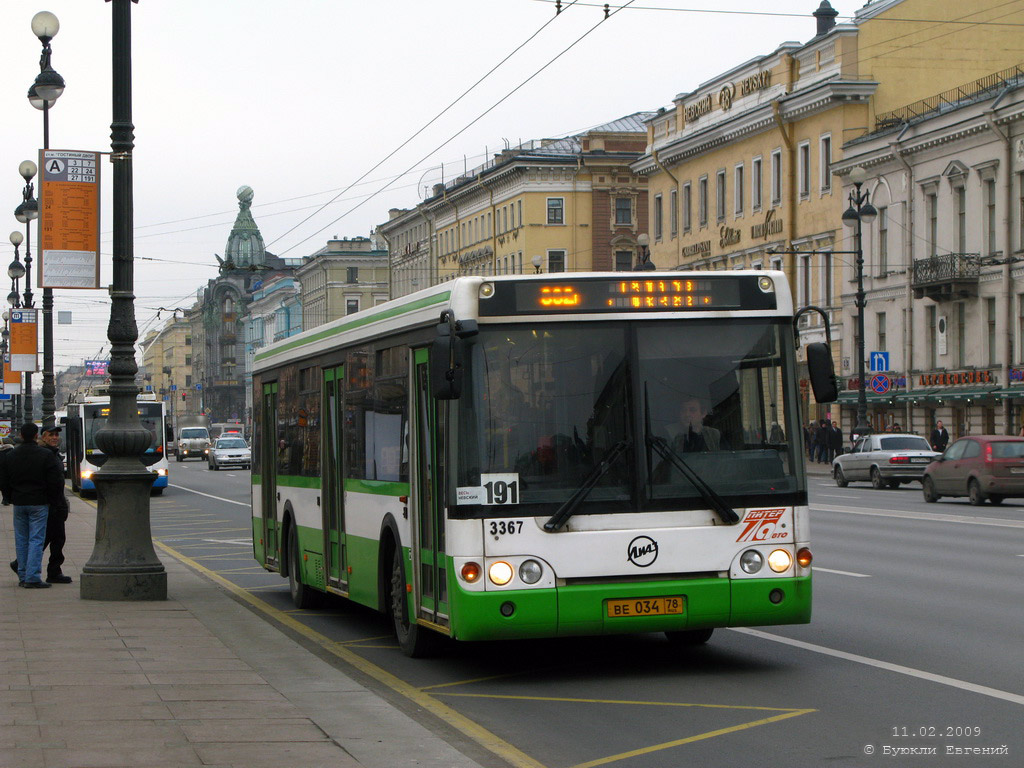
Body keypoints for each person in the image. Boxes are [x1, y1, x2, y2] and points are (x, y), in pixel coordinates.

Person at [0, 422, 65, 588]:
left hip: (19, 503)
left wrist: (8, 497)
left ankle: (23, 575)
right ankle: (33, 577)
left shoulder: (11, 455)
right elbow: (55, 481)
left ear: (21, 436)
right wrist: (54, 500)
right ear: (37, 436)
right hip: (39, 502)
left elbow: (4, 480)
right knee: (36, 539)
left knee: (21, 540)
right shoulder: (44, 455)